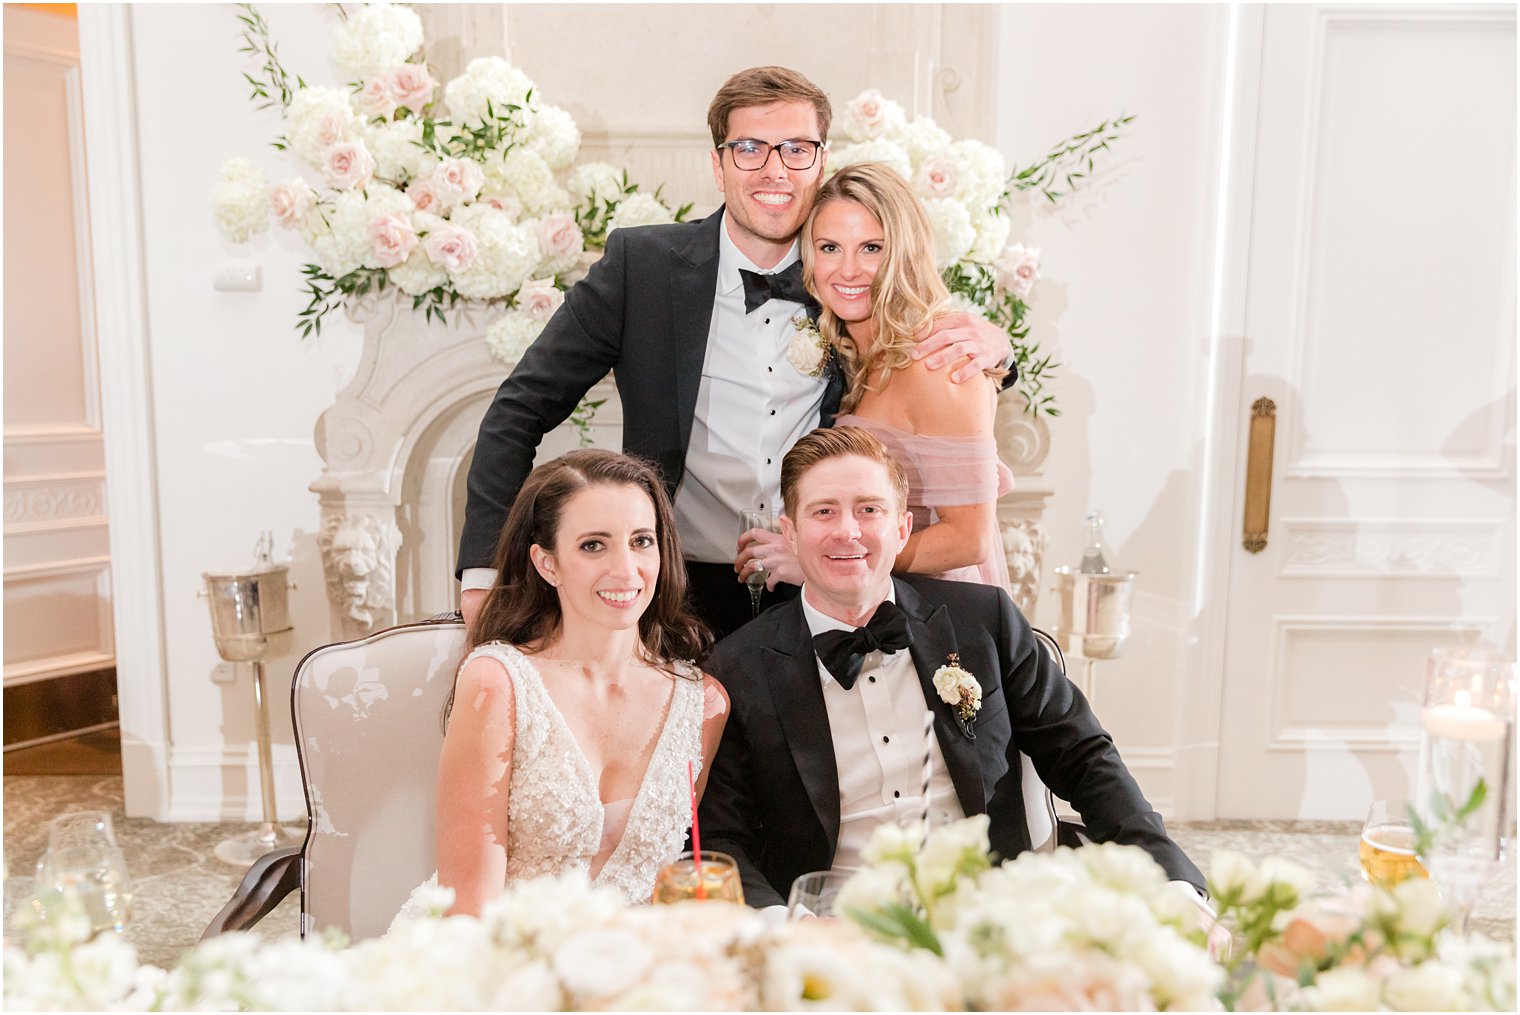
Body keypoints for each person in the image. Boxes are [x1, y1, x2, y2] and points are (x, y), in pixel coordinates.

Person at [457, 67, 1016, 641]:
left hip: (824, 592)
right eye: (749, 148)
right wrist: (484, 570)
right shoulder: (640, 268)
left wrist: (999, 349)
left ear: (820, 163)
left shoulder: (846, 280)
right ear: (718, 166)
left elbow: (922, 373)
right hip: (676, 592)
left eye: (796, 148)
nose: (774, 169)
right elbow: (518, 410)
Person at [697, 427, 1206, 909]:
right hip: (832, 933)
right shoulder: (735, 668)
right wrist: (789, 927)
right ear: (789, 533)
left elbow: (1084, 756)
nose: (847, 531)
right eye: (824, 511)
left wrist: (1173, 884)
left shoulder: (984, 621)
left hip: (987, 918)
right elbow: (723, 836)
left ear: (902, 528)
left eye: (869, 509)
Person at [394, 450, 730, 923]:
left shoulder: (704, 703)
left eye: (641, 541)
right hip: (492, 966)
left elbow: (671, 890)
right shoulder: (498, 683)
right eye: (594, 545)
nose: (625, 569)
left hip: (627, 975)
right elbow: (467, 912)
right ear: (547, 563)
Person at [735, 162, 1014, 598]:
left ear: (904, 252)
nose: (848, 271)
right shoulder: (851, 355)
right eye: (829, 247)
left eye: (871, 248)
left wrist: (814, 561)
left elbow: (968, 540)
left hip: (931, 615)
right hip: (862, 604)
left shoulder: (939, 363)